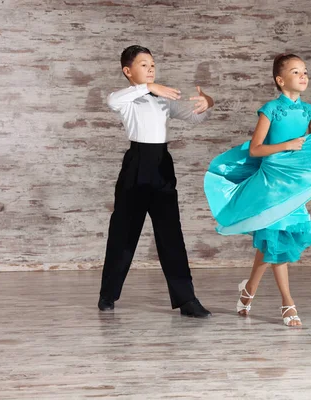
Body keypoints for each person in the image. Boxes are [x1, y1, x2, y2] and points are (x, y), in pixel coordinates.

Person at [204, 54, 311, 326]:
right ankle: (288, 304)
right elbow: (257, 148)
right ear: (281, 80)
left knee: (273, 242)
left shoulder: (308, 112)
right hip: (271, 182)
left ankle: (247, 292)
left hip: (292, 185)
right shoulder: (270, 109)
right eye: (296, 72)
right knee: (278, 242)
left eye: (305, 71)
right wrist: (286, 146)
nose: (303, 76)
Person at [98, 45, 213, 318]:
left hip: (162, 165)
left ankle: (187, 301)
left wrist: (207, 102)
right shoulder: (127, 99)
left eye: (152, 64)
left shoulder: (164, 98)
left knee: (171, 235)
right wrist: (150, 88)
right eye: (143, 65)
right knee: (123, 234)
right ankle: (108, 295)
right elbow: (111, 100)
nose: (150, 69)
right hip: (136, 165)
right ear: (128, 71)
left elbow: (195, 118)